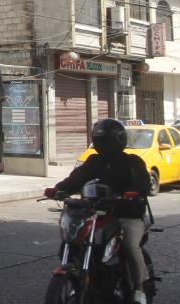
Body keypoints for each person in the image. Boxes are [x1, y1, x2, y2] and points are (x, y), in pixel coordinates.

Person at [44, 118, 151, 304]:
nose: (104, 144)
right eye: (100, 140)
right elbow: (76, 179)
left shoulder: (133, 162)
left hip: (128, 213)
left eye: (107, 140)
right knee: (77, 237)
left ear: (118, 140)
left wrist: (134, 192)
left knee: (129, 245)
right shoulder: (94, 161)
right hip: (99, 212)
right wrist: (59, 189)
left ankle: (140, 289)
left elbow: (143, 183)